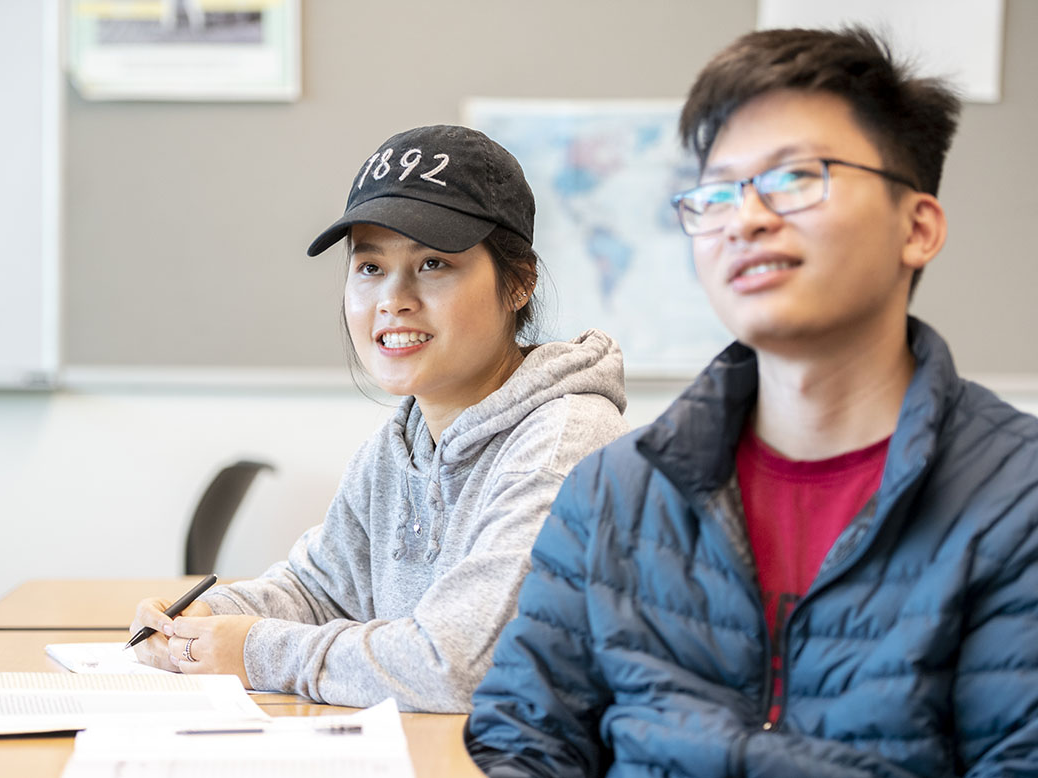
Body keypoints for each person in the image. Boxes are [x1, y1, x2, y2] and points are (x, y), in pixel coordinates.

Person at [466, 27, 1038, 776]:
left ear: (917, 227)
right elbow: (522, 740)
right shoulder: (614, 490)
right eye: (716, 191)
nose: (747, 217)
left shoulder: (1016, 498)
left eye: (796, 177)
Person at [130, 124, 631, 713]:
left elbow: (458, 666)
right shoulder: (402, 442)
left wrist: (254, 651)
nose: (393, 299)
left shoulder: (564, 445)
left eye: (435, 264)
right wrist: (212, 617)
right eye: (370, 267)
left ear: (519, 282)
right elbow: (320, 590)